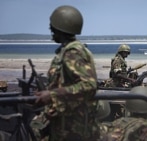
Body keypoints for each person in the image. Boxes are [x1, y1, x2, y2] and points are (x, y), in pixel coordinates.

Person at [32, 5, 99, 141]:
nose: (51, 30)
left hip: (73, 128)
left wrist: (52, 95)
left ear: (60, 28)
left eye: (53, 27)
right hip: (64, 123)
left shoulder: (73, 52)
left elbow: (89, 85)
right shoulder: (68, 51)